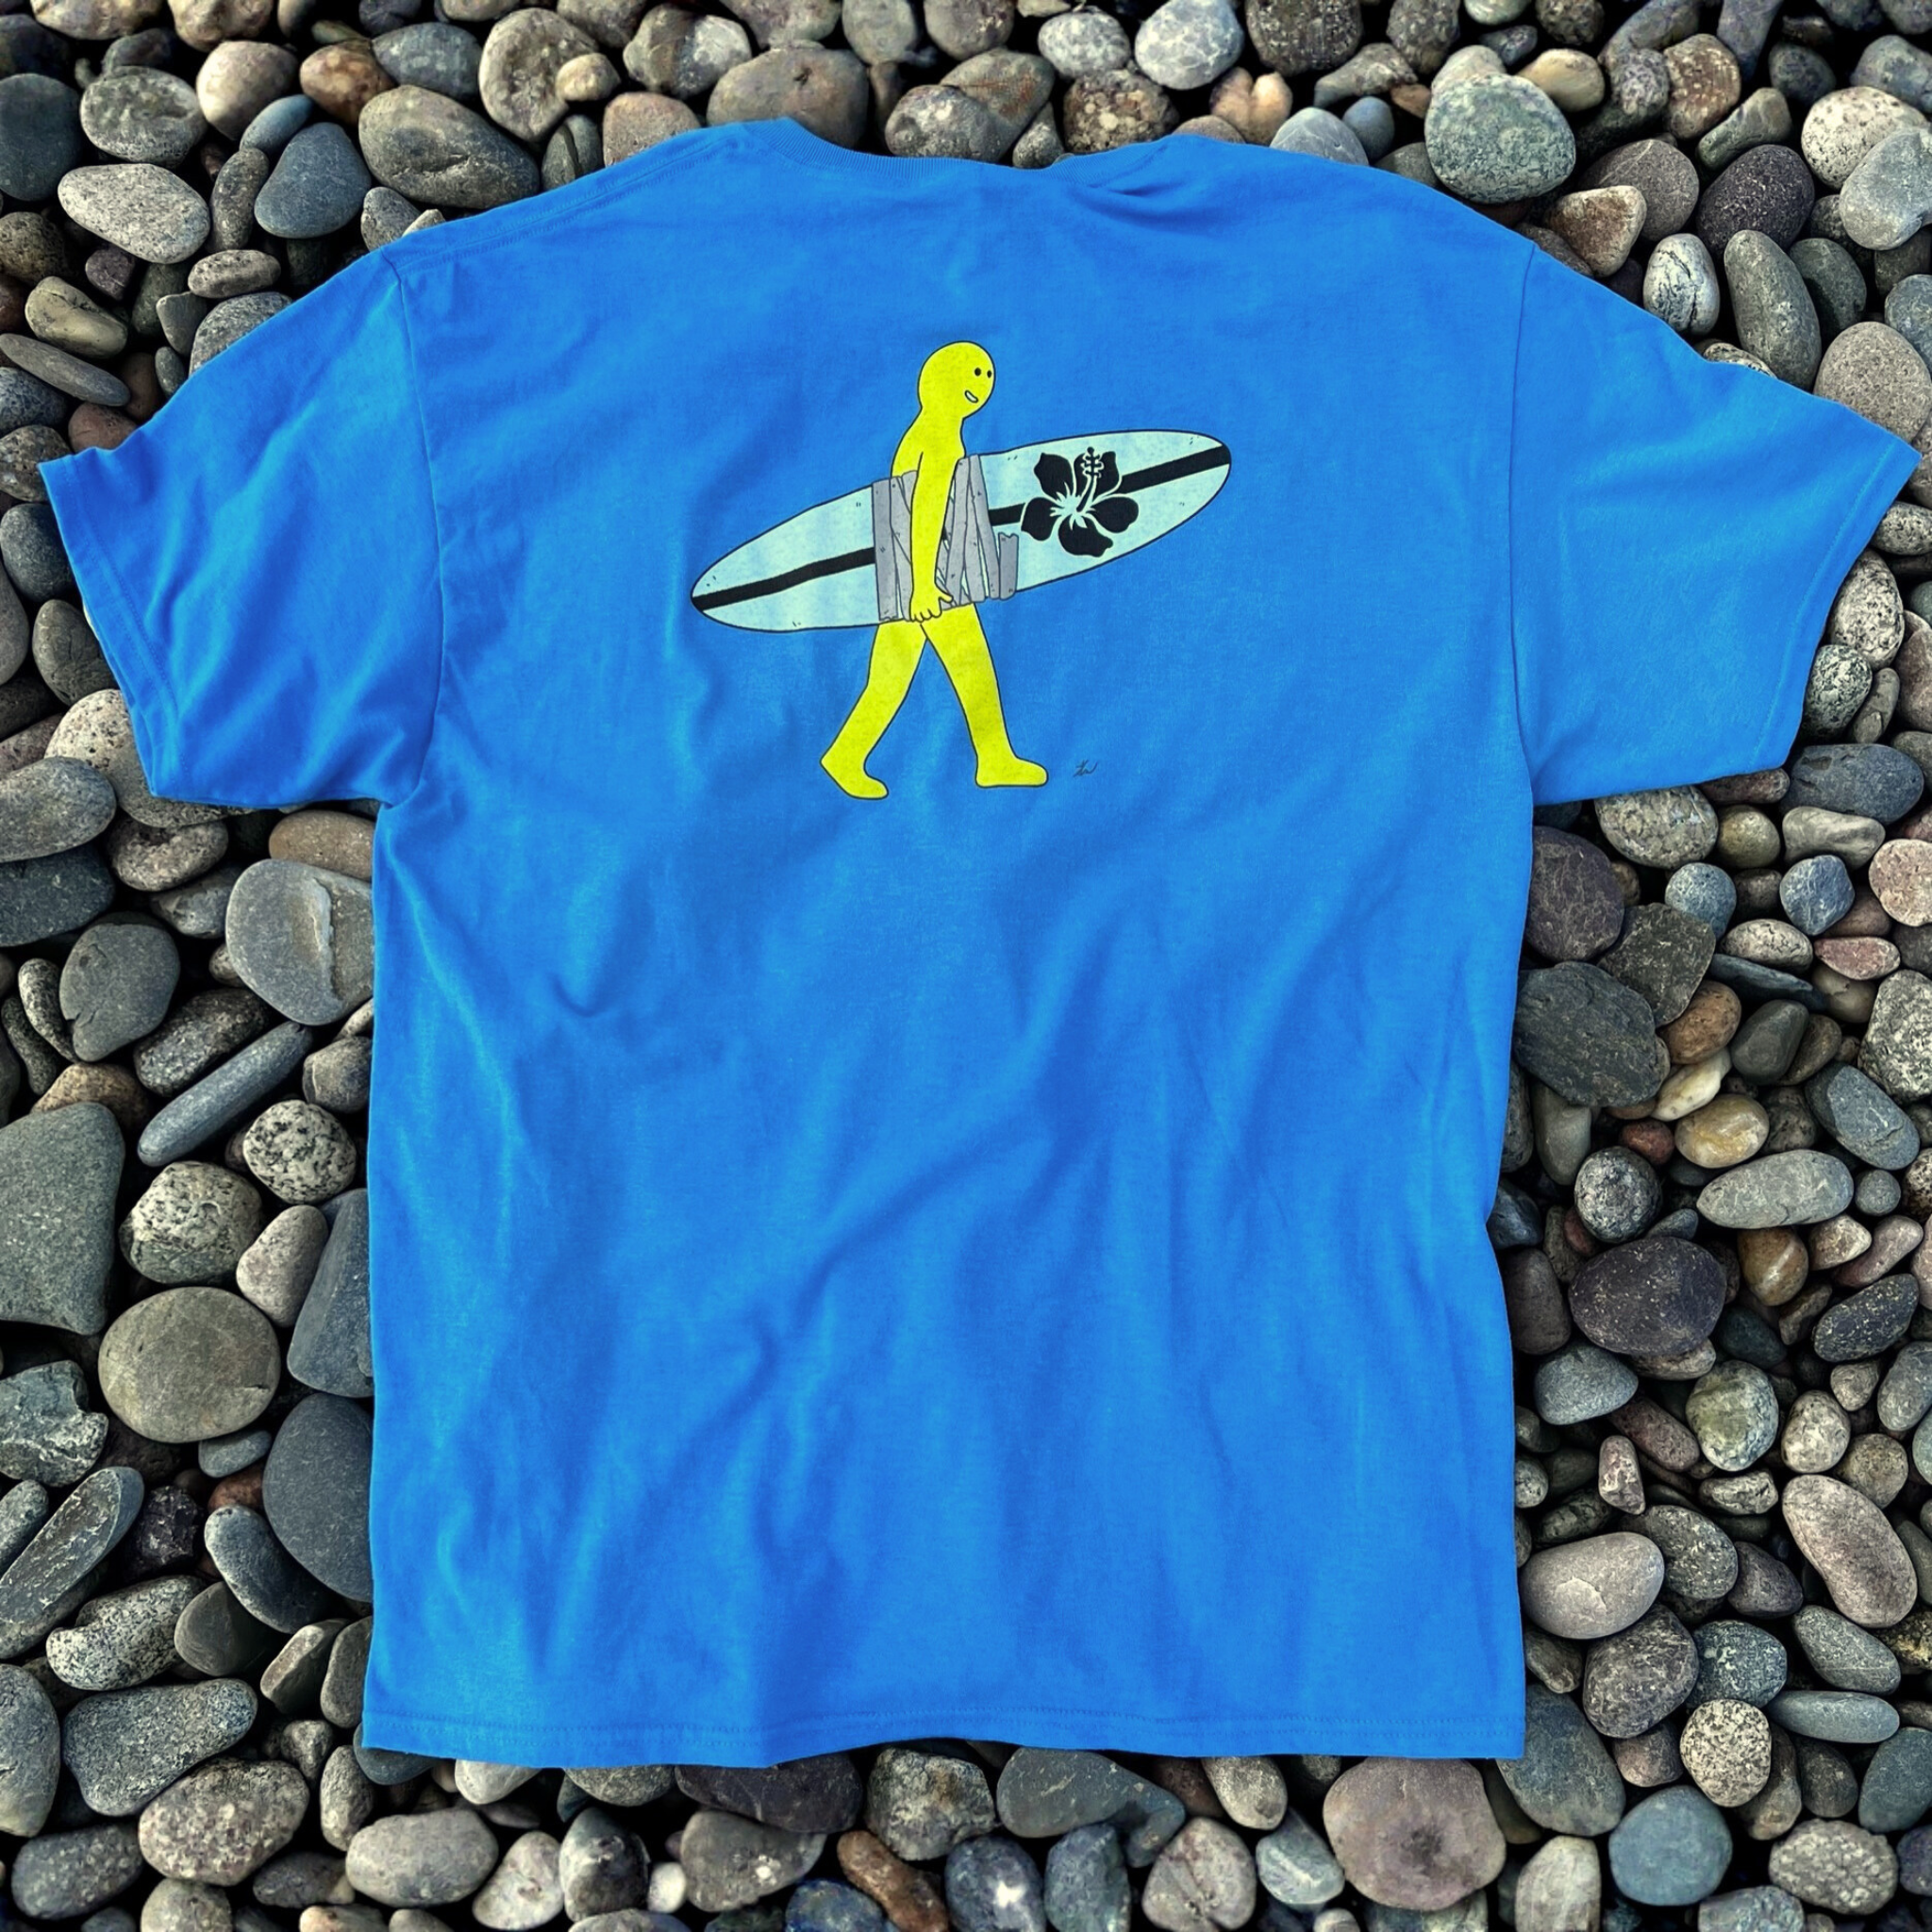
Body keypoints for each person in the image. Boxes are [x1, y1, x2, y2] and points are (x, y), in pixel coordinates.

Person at [820, 341, 1049, 799]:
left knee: (891, 674)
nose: (983, 382)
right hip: (927, 576)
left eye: (986, 374)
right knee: (970, 661)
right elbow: (925, 508)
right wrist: (924, 585)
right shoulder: (940, 436)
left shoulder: (926, 431)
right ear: (935, 376)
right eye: (972, 371)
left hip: (910, 573)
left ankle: (846, 753)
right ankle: (994, 759)